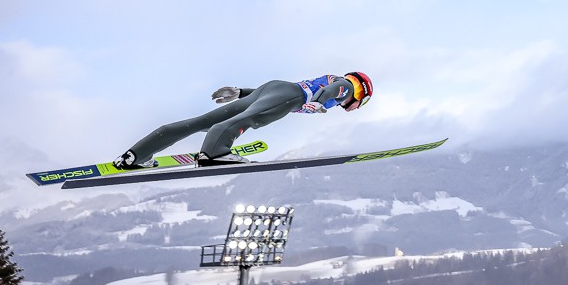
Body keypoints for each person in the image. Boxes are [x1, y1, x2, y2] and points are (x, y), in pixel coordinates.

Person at [112, 71, 373, 169]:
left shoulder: (335, 82)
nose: (355, 106)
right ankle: (214, 152)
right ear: (361, 93)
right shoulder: (347, 87)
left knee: (200, 121)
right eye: (361, 103)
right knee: (252, 118)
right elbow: (334, 90)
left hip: (271, 89)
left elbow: (269, 96)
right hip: (291, 95)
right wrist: (319, 101)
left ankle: (137, 155)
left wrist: (241, 93)